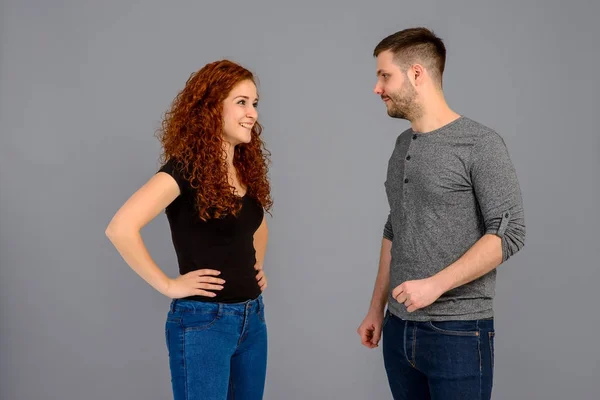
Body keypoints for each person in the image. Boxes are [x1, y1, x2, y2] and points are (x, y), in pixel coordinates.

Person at [357, 27, 526, 400]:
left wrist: (435, 285)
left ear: (417, 73)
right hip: (398, 329)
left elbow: (509, 233)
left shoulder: (480, 144)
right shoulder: (403, 145)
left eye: (384, 75)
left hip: (459, 332)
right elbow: (394, 227)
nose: (377, 88)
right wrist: (376, 308)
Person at [105, 59, 273, 400]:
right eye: (241, 102)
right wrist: (168, 285)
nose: (252, 113)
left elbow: (256, 226)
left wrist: (257, 267)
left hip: (252, 320)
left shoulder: (244, 169)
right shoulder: (184, 170)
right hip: (204, 323)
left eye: (254, 103)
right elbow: (120, 228)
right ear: (211, 108)